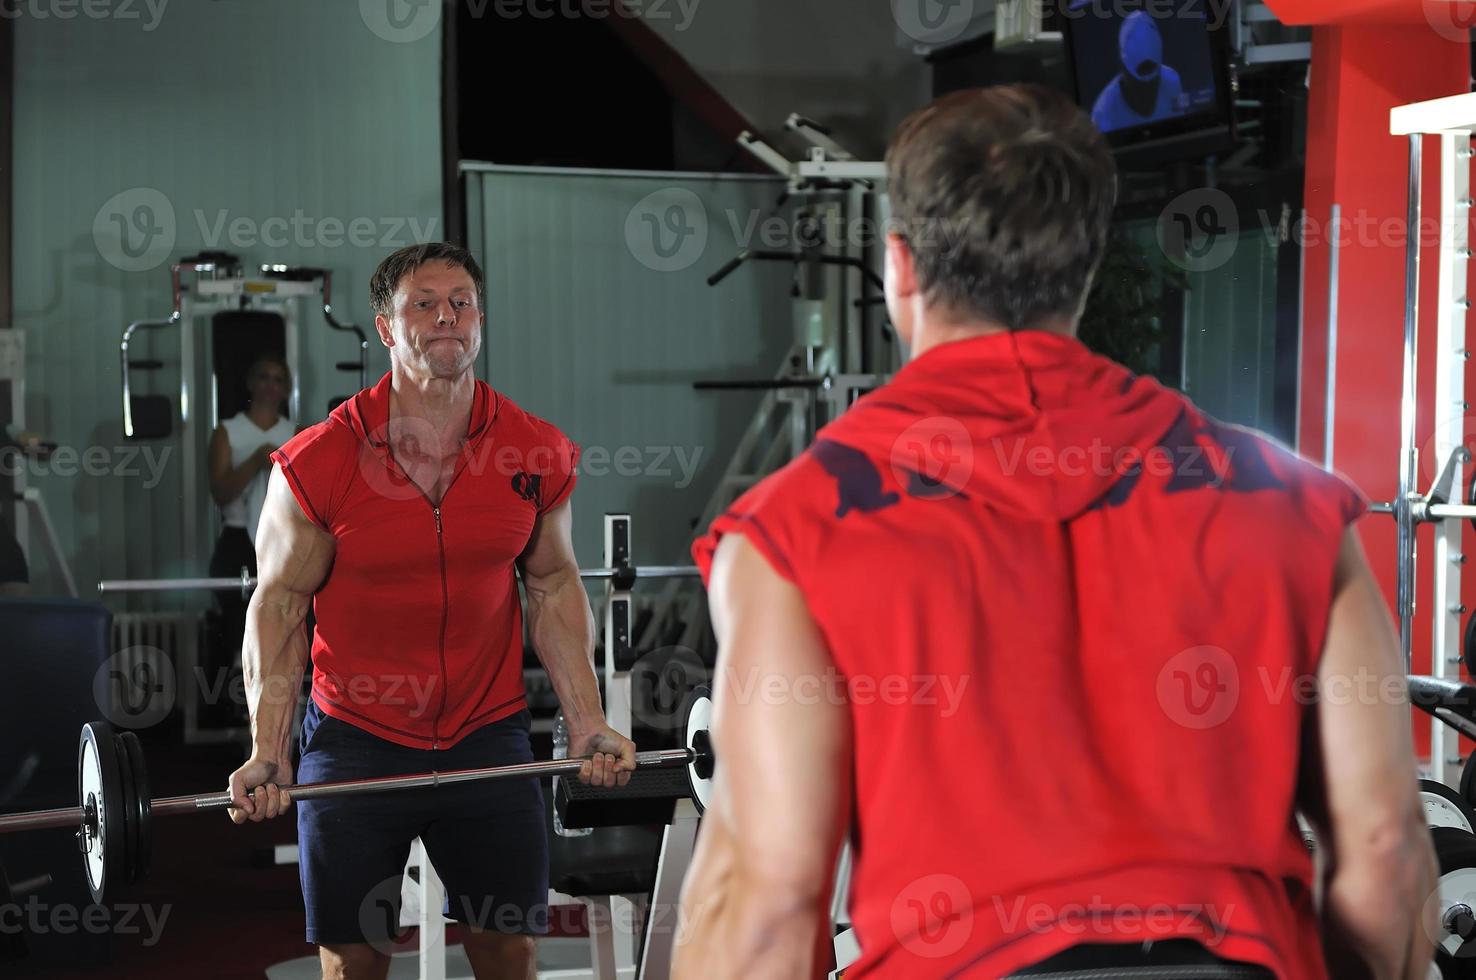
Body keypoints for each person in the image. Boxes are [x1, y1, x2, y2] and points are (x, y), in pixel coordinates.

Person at [673, 85, 1437, 980]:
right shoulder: (1292, 504)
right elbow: (1385, 851)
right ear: (1085, 261)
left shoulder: (794, 532)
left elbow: (768, 909)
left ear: (899, 269)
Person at [225, 242, 637, 980]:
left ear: (480, 320)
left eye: (462, 302)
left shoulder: (532, 450)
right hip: (356, 735)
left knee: (509, 951)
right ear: (386, 327)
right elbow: (281, 609)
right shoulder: (320, 461)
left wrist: (587, 722)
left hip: (487, 733)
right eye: (424, 303)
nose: (447, 315)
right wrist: (268, 749)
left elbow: (552, 589)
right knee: (353, 962)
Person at [206, 355, 296, 720]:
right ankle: (237, 707)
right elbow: (220, 492)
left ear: (285, 389)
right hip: (238, 539)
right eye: (263, 376)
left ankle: (284, 711)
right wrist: (256, 462)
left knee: (285, 627)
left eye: (278, 379)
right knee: (237, 629)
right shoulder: (229, 431)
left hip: (283, 542)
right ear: (251, 384)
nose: (270, 386)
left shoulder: (296, 431)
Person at [1091, 11, 1185, 133]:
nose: (1147, 93)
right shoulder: (1103, 113)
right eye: (1139, 85)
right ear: (1124, 68)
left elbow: (1182, 128)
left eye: (1153, 82)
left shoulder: (1172, 81)